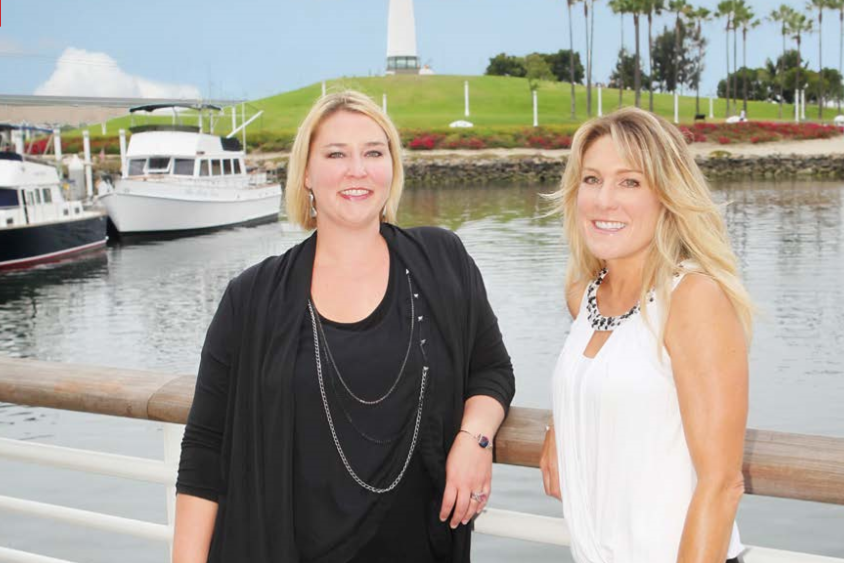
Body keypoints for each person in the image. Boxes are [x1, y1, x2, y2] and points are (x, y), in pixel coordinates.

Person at [173, 90, 514, 563]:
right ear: (306, 173)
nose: (358, 170)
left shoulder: (443, 261)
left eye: (373, 153)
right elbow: (205, 449)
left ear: (392, 166)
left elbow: (492, 370)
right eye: (336, 154)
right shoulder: (250, 298)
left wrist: (475, 439)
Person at [539, 107, 752, 563]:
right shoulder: (585, 294)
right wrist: (562, 421)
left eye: (630, 182)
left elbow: (722, 483)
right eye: (592, 179)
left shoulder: (693, 297)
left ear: (667, 195)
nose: (603, 201)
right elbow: (610, 372)